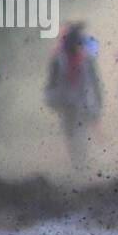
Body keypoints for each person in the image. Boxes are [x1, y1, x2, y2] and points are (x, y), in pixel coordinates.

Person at [45, 22, 103, 169]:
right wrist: (51, 99)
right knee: (70, 133)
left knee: (82, 132)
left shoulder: (87, 59)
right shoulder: (58, 60)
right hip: (66, 102)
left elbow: (95, 82)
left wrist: (98, 102)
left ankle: (82, 163)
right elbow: (51, 81)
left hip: (83, 101)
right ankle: (76, 162)